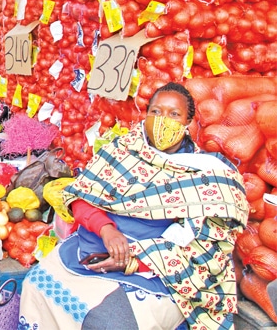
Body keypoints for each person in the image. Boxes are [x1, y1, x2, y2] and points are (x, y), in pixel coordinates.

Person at [19, 82, 248, 330]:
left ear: (188, 122)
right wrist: (107, 229)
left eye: (174, 114)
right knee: (34, 284)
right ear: (146, 114)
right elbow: (81, 196)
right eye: (156, 112)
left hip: (158, 269)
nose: (163, 121)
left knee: (108, 323)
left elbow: (207, 248)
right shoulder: (122, 150)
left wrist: (135, 260)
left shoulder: (207, 173)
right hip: (95, 245)